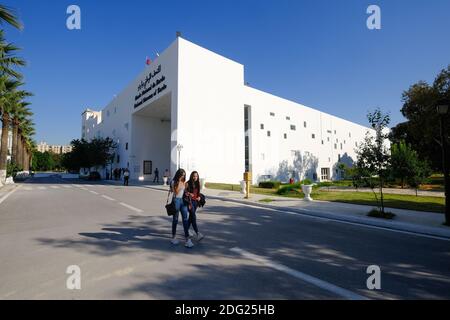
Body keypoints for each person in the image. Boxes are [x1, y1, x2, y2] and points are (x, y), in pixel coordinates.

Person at [170, 169, 193, 248]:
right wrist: (181, 184)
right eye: (181, 175)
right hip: (176, 200)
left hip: (183, 201)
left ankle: (187, 239)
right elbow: (175, 192)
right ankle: (173, 237)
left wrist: (187, 192)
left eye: (184, 175)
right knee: (175, 220)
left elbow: (183, 192)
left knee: (185, 220)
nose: (183, 176)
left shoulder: (183, 182)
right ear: (178, 175)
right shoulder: (173, 182)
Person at [186, 171, 204, 241]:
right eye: (194, 176)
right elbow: (185, 192)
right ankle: (198, 233)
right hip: (190, 202)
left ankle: (186, 230)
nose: (195, 177)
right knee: (193, 216)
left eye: (196, 176)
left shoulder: (198, 183)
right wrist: (189, 193)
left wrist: (199, 197)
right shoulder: (188, 183)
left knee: (191, 218)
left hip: (195, 202)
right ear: (191, 176)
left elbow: (198, 192)